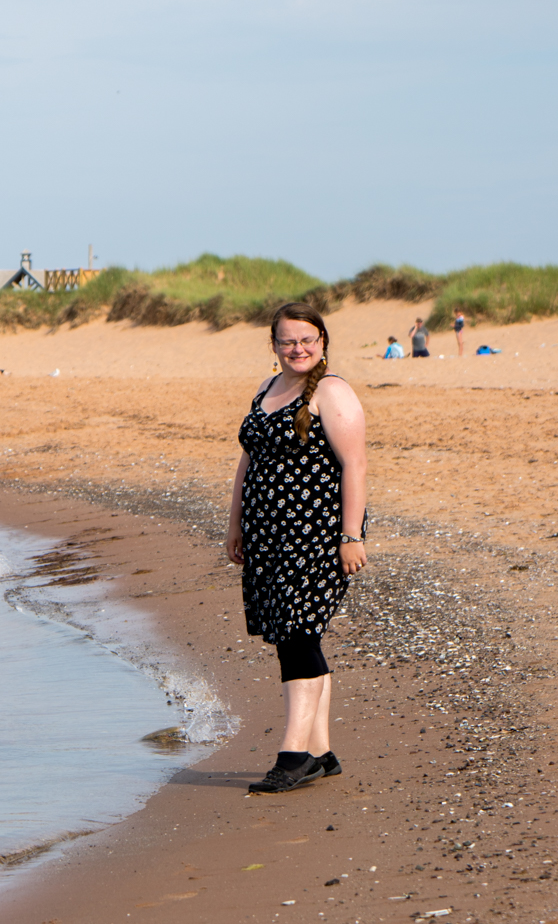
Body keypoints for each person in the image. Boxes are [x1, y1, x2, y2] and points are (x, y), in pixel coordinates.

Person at [226, 301, 368, 794]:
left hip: (317, 535)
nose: (298, 348)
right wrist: (235, 524)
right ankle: (323, 753)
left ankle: (293, 757)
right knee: (298, 634)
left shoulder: (332, 391)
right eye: (288, 341)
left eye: (307, 340)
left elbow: (356, 466)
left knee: (296, 636)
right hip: (267, 535)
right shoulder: (267, 389)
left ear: (322, 342)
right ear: (274, 345)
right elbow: (249, 462)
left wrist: (351, 536)